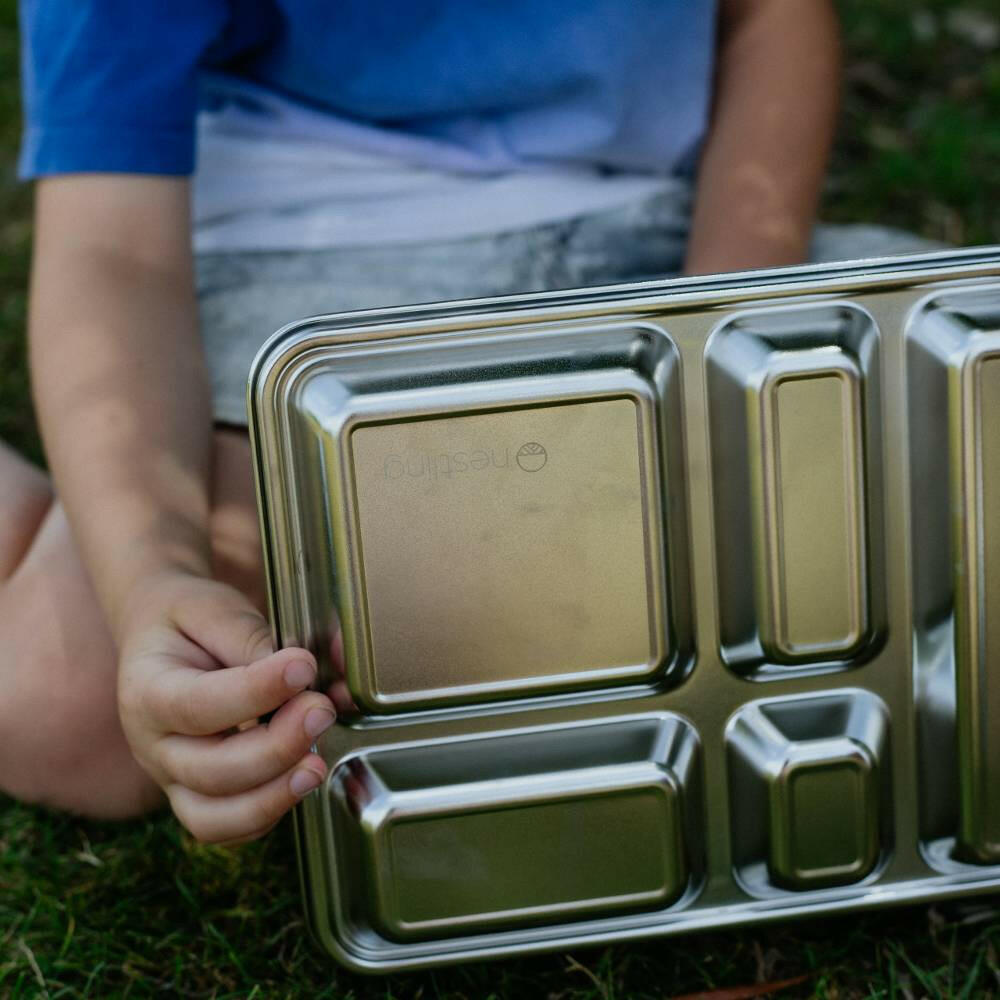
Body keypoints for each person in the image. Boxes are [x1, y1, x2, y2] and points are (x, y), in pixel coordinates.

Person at [2, 0, 921, 844]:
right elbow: (114, 253)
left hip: (658, 241)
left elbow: (767, 16)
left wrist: (716, 344)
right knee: (75, 698)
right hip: (315, 259)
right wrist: (151, 577)